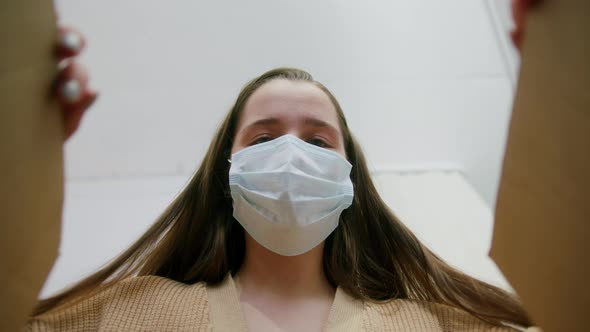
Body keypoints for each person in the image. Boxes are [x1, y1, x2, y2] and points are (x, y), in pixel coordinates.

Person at [27, 26, 537, 332]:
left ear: (348, 178)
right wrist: (23, 155)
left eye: (318, 143)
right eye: (264, 139)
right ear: (227, 173)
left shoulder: (424, 324)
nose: (291, 157)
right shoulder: (132, 315)